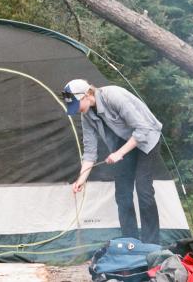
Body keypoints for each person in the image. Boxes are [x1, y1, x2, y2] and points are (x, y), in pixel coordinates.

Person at [61, 79, 163, 244]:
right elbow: (90, 152)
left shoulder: (114, 96)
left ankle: (152, 244)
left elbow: (143, 129)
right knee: (122, 194)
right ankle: (131, 243)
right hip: (123, 143)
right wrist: (81, 179)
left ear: (87, 95)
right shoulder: (86, 115)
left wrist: (119, 153)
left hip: (147, 138)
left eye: (75, 104)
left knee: (144, 190)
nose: (76, 110)